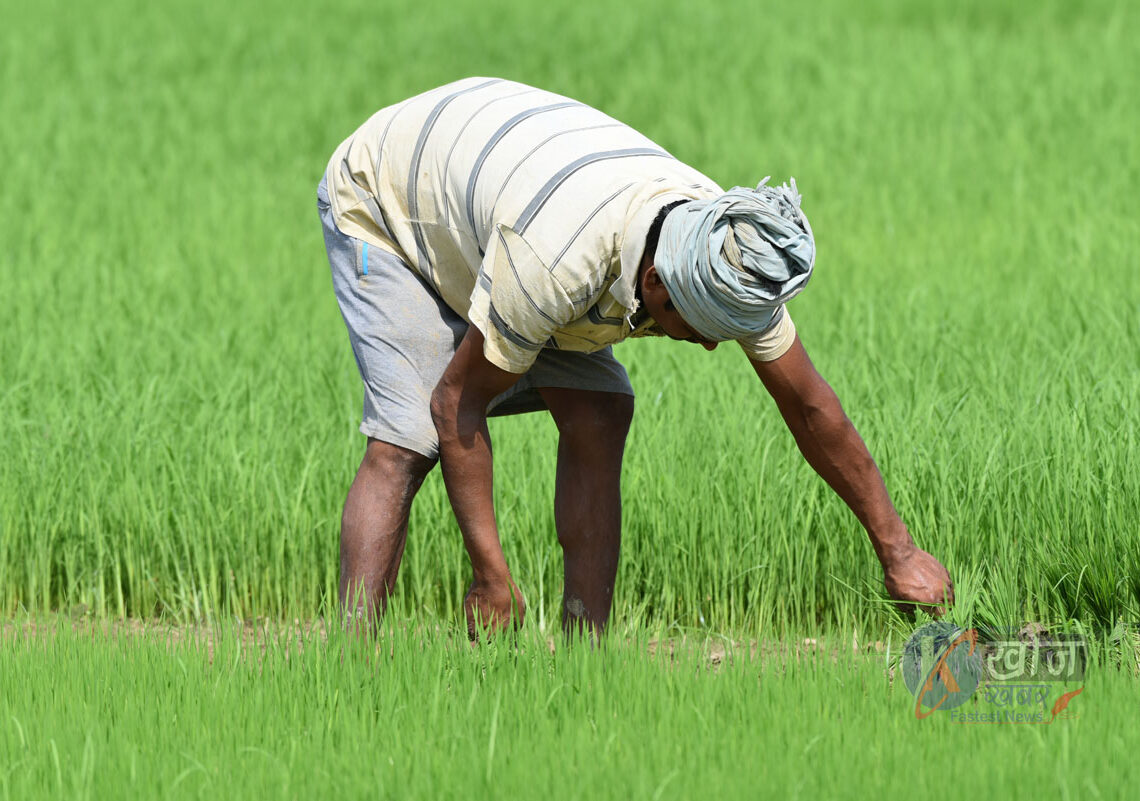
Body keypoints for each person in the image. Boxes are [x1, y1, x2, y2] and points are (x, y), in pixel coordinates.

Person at [317, 77, 953, 637]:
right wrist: (490, 577)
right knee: (407, 442)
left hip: (504, 193)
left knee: (600, 412)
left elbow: (810, 407)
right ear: (653, 284)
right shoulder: (554, 263)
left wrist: (896, 550)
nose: (710, 345)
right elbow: (457, 399)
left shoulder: (728, 251)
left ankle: (584, 659)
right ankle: (347, 672)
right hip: (391, 200)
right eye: (699, 329)